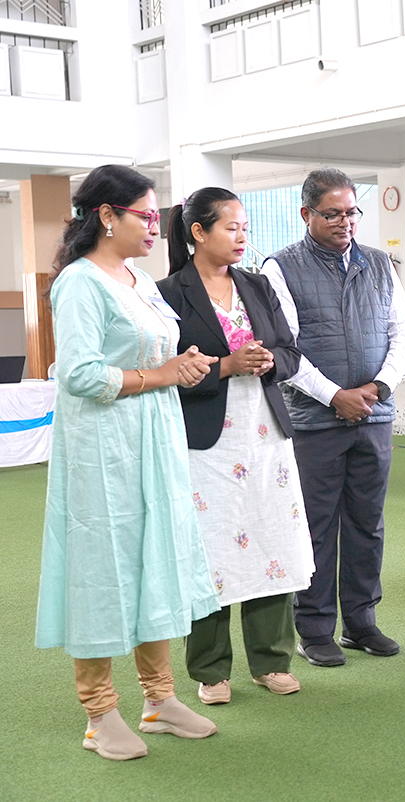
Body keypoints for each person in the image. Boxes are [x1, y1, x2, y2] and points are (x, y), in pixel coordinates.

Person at [35, 164, 221, 761]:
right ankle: (99, 713)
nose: (156, 226)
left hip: (154, 439)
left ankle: (160, 700)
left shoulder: (138, 278)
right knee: (101, 566)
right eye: (145, 215)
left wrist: (184, 364)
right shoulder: (80, 283)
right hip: (102, 448)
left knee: (154, 559)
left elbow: (155, 352)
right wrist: (161, 374)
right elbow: (80, 374)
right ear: (107, 216)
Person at [158, 187, 315, 705]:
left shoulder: (257, 284)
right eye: (231, 227)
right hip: (206, 442)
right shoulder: (168, 293)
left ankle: (271, 661)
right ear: (198, 232)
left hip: (266, 434)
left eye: (245, 227)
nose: (242, 236)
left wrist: (272, 362)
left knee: (273, 539)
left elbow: (290, 351)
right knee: (211, 549)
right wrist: (226, 366)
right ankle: (210, 671)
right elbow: (163, 371)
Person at [261, 168, 405, 668]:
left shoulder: (379, 263)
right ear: (305, 214)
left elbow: (403, 334)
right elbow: (285, 348)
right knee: (317, 526)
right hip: (315, 422)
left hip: (374, 415)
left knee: (367, 523)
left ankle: (361, 622)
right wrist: (335, 397)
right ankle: (314, 628)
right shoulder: (280, 267)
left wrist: (378, 388)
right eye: (332, 214)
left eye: (351, 212)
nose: (345, 222)